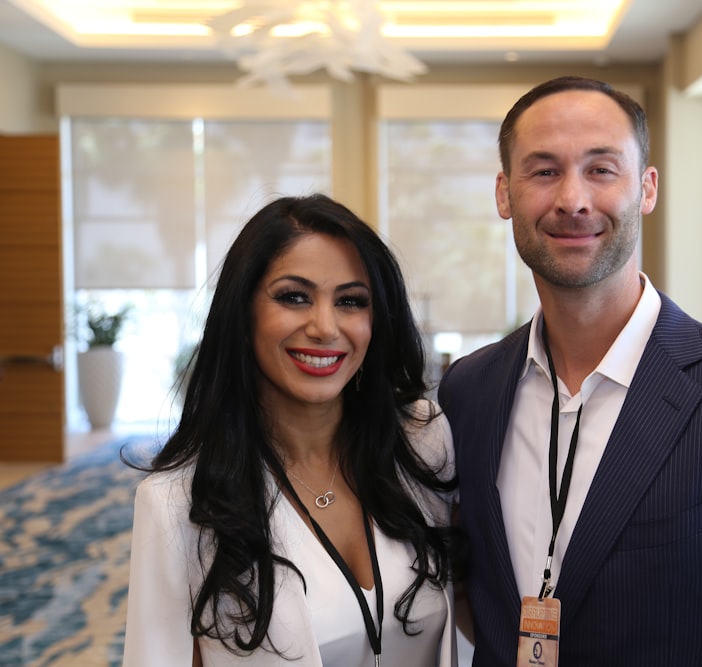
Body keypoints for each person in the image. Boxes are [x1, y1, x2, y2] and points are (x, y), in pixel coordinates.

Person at [438, 76, 702, 666]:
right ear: (504, 194)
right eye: (543, 171)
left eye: (601, 169)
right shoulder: (468, 392)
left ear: (646, 188)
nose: (572, 199)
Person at [123, 193, 461, 666]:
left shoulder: (424, 445)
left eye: (350, 301)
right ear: (243, 314)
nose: (325, 327)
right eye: (294, 297)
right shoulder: (177, 503)